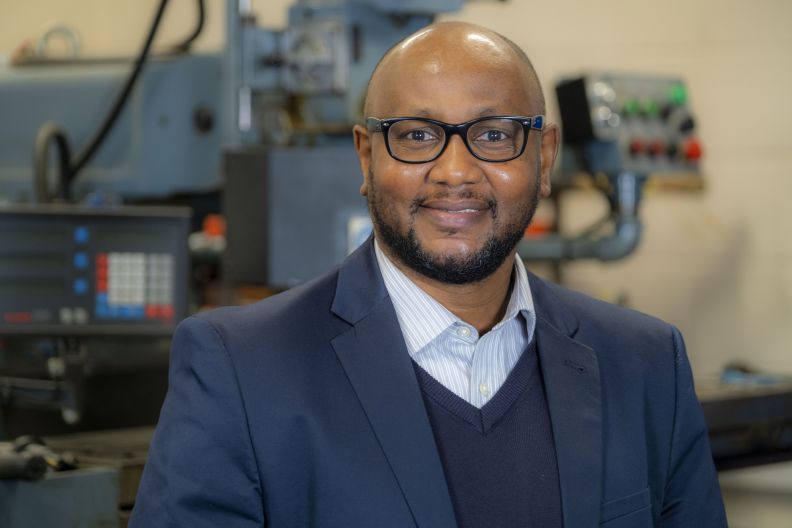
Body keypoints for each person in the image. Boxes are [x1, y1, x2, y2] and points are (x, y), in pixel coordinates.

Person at [131, 21, 727, 528]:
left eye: (494, 135)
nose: (455, 171)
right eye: (417, 136)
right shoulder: (240, 370)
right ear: (367, 157)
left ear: (543, 158)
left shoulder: (645, 364)